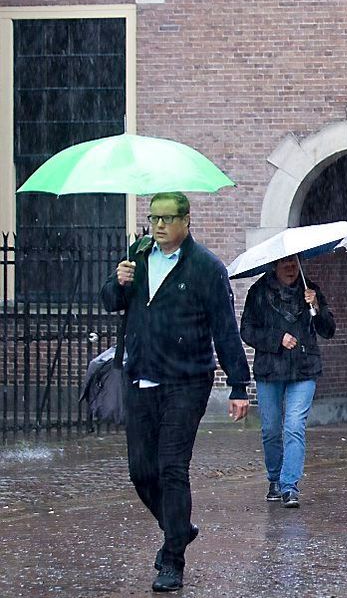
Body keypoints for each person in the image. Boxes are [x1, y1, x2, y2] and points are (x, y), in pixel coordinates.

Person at [99, 192, 251, 593]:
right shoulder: (138, 256)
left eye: (168, 218)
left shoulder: (205, 267)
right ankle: (179, 528)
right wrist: (118, 282)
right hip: (140, 378)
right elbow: (112, 302)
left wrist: (238, 384)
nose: (160, 226)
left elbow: (225, 328)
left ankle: (172, 560)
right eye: (154, 218)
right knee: (140, 470)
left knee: (171, 467)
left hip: (186, 381)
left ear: (186, 221)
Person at [240, 255, 335, 508]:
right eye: (285, 264)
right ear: (275, 266)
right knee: (270, 429)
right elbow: (247, 330)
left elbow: (328, 330)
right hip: (270, 370)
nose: (291, 269)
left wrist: (317, 308)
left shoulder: (310, 290)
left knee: (294, 426)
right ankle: (274, 478)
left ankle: (289, 485)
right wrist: (276, 338)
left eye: (294, 264)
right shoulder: (258, 292)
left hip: (304, 369)